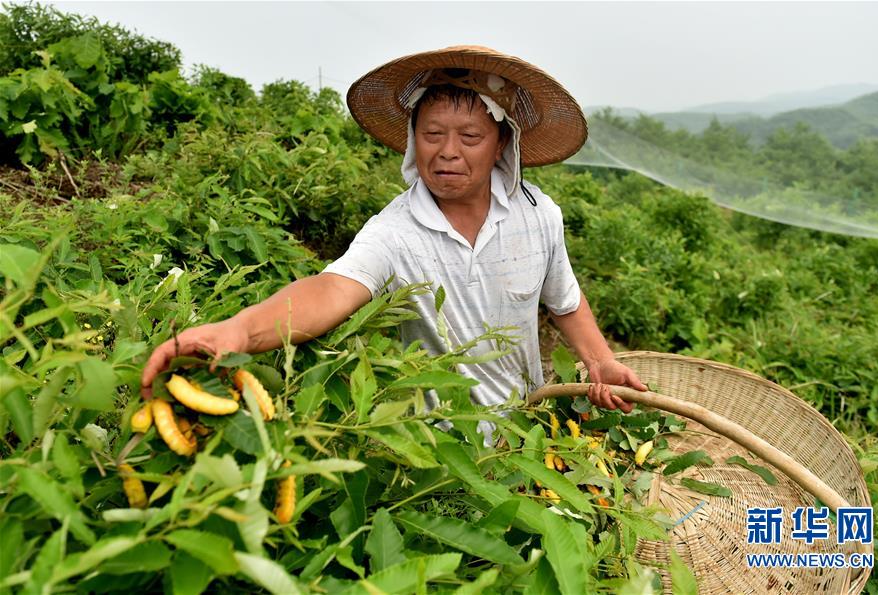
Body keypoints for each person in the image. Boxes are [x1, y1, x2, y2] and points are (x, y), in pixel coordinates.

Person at [141, 46, 646, 419]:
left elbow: (564, 303)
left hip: (529, 422)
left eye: (469, 136)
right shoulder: (397, 232)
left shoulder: (539, 216)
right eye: (432, 134)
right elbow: (331, 289)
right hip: (440, 446)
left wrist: (600, 362)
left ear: (501, 145)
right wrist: (239, 331)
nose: (447, 151)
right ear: (413, 140)